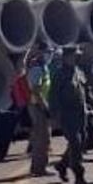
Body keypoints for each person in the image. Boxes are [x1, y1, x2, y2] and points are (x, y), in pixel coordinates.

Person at [50, 46, 92, 184]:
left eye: (77, 56)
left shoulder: (79, 72)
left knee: (82, 142)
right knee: (75, 142)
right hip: (67, 114)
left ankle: (62, 165)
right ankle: (79, 176)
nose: (76, 58)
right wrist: (55, 115)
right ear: (66, 57)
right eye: (73, 56)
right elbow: (53, 96)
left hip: (81, 113)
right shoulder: (59, 74)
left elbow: (87, 90)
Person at [26, 42, 53, 177]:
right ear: (41, 52)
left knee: (44, 137)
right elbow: (35, 89)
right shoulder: (37, 68)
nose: (50, 55)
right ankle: (38, 168)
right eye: (48, 52)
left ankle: (40, 166)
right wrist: (44, 105)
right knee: (42, 138)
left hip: (41, 104)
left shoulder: (44, 67)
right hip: (38, 105)